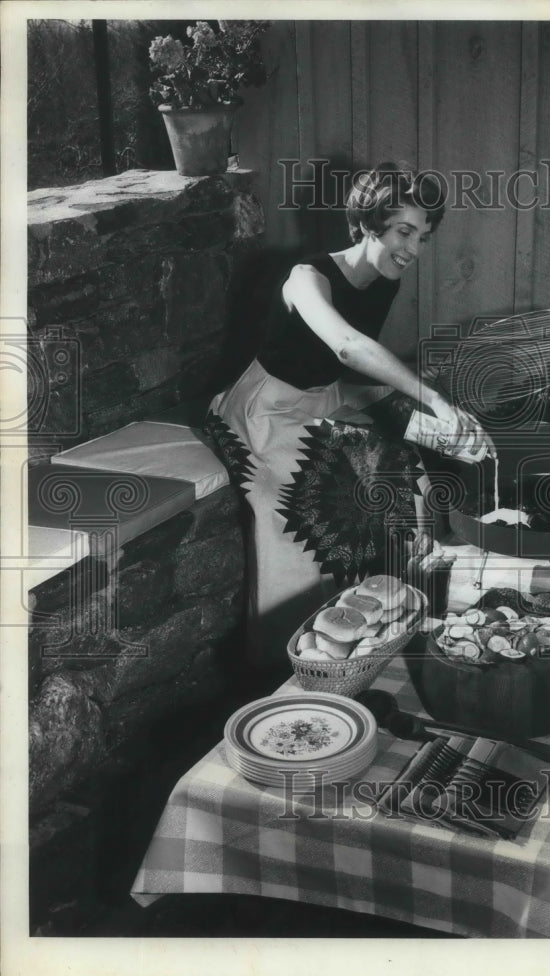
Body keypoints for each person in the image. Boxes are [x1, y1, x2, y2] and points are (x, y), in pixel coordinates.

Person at [205, 161, 493, 678]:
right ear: (366, 221)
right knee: (287, 508)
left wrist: (439, 424)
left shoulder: (385, 276)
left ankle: (382, 632)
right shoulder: (307, 278)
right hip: (264, 409)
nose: (412, 249)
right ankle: (290, 664)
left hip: (327, 398)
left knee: (408, 476)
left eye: (422, 237)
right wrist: (437, 402)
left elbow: (349, 379)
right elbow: (347, 346)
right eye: (404, 231)